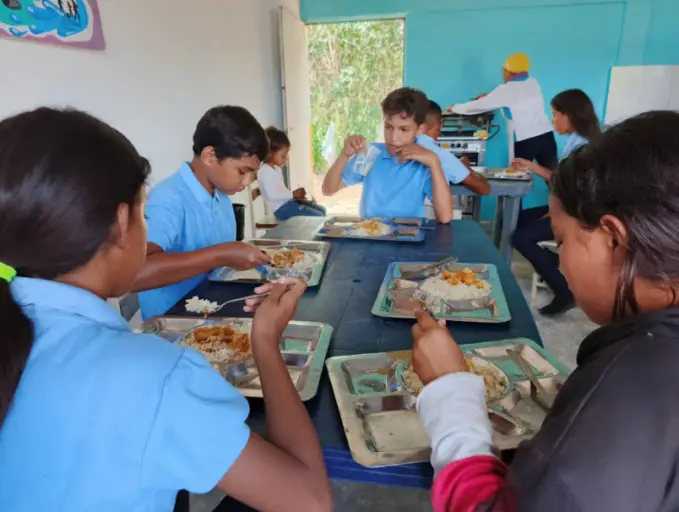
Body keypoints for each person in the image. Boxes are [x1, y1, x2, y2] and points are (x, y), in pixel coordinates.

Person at [0, 108, 332, 512]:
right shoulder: (154, 375)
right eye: (143, 212)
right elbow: (309, 501)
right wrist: (264, 340)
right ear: (123, 222)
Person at [411, 111, 679, 512]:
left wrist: (450, 390)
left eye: (561, 241)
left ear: (613, 239)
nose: (562, 262)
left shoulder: (631, 384)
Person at [133, 106, 270, 319]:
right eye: (242, 172)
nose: (246, 182)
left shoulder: (220, 196)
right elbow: (136, 273)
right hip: (174, 327)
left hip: (216, 313)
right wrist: (220, 255)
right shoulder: (168, 199)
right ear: (209, 156)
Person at [511, 89, 602, 316]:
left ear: (569, 115)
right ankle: (552, 263)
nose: (552, 121)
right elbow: (564, 181)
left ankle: (564, 290)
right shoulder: (576, 142)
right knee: (518, 219)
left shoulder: (585, 148)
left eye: (555, 114)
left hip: (580, 214)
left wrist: (555, 213)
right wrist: (531, 167)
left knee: (521, 237)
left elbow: (576, 191)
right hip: (570, 206)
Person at [322, 87, 454, 223]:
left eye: (404, 129)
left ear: (419, 130)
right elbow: (329, 190)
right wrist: (344, 155)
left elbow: (445, 217)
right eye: (388, 127)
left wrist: (435, 163)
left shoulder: (426, 163)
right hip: (371, 234)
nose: (393, 138)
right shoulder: (371, 154)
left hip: (408, 237)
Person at [447, 53, 557, 176]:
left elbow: (476, 107)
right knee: (554, 177)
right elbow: (517, 97)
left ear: (510, 72)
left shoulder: (505, 89)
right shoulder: (533, 82)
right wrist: (489, 97)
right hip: (546, 135)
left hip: (524, 139)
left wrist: (455, 108)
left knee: (517, 176)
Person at [420, 100, 491, 195]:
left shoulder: (398, 150)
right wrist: (466, 168)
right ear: (441, 124)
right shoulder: (442, 157)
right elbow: (484, 189)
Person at [256, 126, 326, 221]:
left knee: (322, 210)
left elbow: (281, 192)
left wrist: (295, 197)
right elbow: (273, 195)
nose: (286, 159)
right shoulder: (264, 171)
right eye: (283, 156)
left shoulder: (276, 169)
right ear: (271, 153)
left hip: (288, 204)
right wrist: (292, 194)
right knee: (318, 216)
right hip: (281, 210)